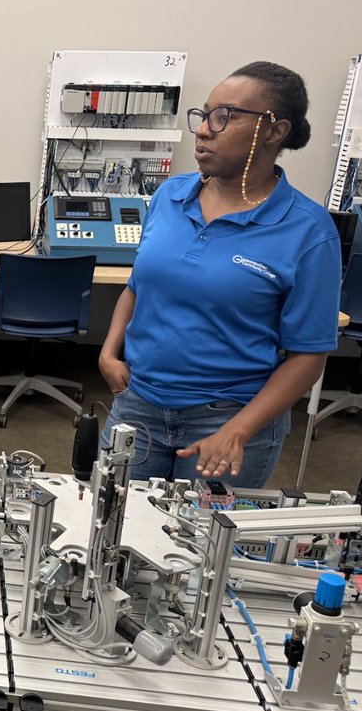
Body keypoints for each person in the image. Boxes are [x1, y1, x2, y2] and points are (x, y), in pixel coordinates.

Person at [98, 62, 342, 487]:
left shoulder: (308, 231)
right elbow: (138, 286)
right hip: (138, 406)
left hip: (227, 419)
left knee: (197, 549)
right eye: (204, 114)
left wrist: (238, 431)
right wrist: (108, 352)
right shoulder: (170, 195)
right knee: (112, 533)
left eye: (224, 117)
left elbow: (308, 356)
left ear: (273, 131)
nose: (204, 130)